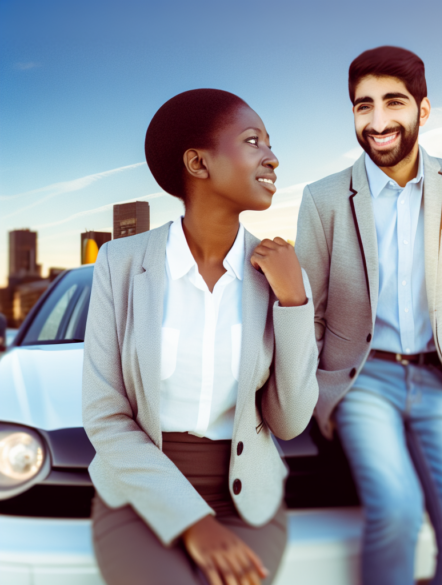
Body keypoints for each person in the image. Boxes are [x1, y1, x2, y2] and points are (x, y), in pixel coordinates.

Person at [82, 89, 318, 585]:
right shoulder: (121, 264)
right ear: (198, 163)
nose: (273, 157)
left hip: (245, 495)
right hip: (140, 490)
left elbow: (290, 422)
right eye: (253, 141)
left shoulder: (280, 274)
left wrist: (294, 304)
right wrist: (191, 522)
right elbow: (104, 417)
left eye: (270, 144)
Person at [294, 46, 442, 585]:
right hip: (362, 379)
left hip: (438, 378)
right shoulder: (324, 199)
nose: (378, 121)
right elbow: (308, 312)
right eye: (364, 106)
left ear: (423, 111)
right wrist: (321, 396)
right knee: (398, 509)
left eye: (393, 103)